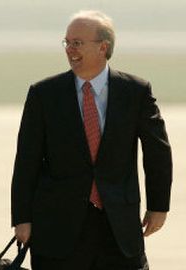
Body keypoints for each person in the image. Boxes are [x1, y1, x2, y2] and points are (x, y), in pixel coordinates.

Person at [11, 10, 172, 270]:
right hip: (58, 228)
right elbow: (26, 160)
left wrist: (158, 206)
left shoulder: (135, 91)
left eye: (77, 43)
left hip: (118, 226)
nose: (70, 49)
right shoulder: (44, 94)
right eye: (67, 42)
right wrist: (22, 218)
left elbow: (158, 153)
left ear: (103, 47)